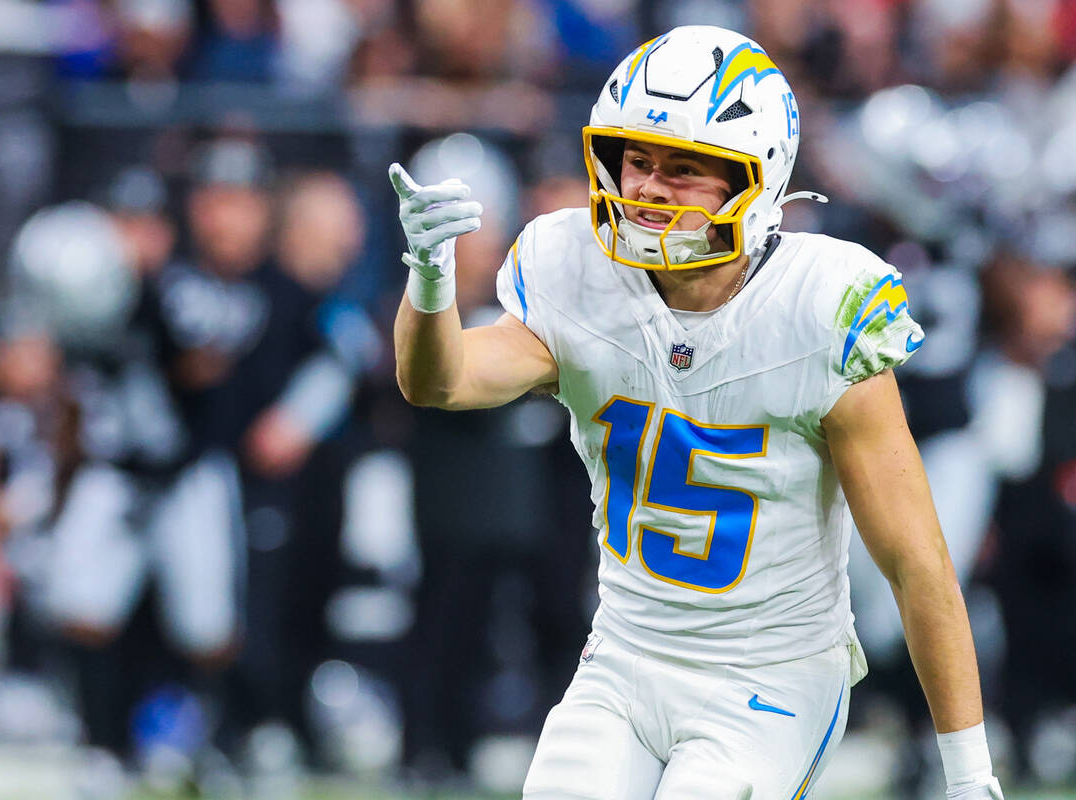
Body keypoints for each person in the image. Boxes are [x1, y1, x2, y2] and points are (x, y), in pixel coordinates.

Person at [390, 25, 1003, 800]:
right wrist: (429, 280)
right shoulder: (572, 269)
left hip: (769, 677)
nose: (646, 189)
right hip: (623, 659)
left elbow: (918, 564)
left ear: (758, 180)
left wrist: (969, 774)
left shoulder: (818, 308)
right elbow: (438, 382)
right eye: (637, 160)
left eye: (684, 170)